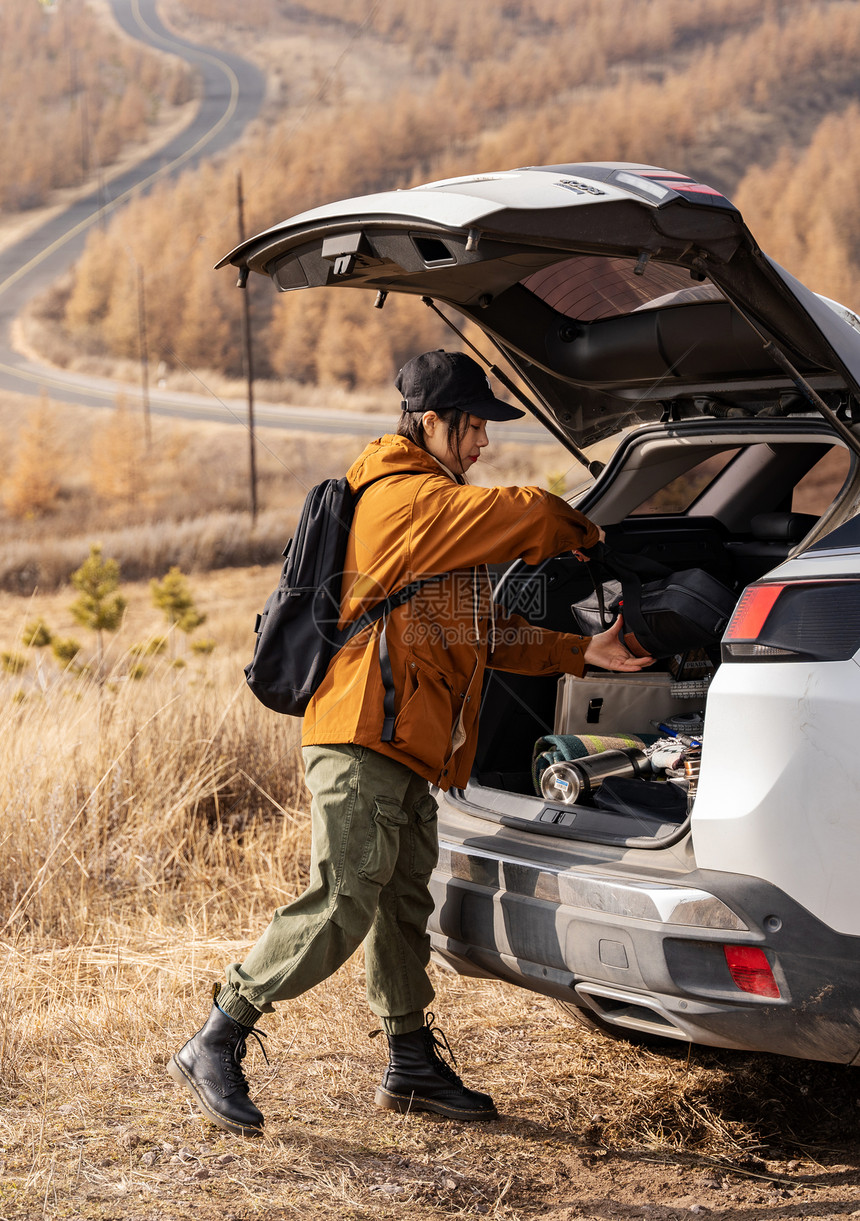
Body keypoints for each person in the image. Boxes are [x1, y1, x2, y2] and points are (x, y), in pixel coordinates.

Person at [168, 349, 653, 1136]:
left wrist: (580, 651)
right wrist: (589, 535)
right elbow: (523, 511)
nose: (482, 444)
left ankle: (412, 1061)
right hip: (361, 735)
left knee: (401, 905)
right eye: (473, 428)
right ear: (432, 422)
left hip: (401, 745)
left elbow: (477, 630)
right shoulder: (401, 500)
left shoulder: (432, 516)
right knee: (344, 897)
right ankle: (218, 1031)